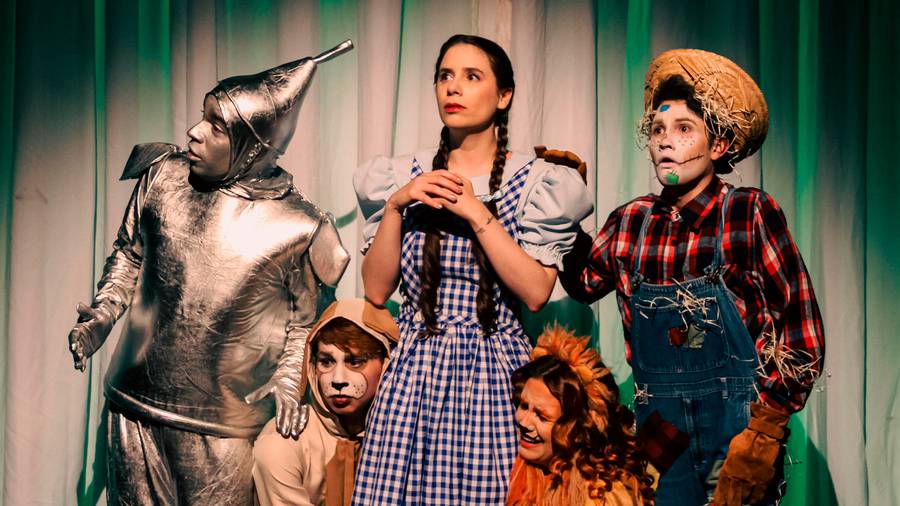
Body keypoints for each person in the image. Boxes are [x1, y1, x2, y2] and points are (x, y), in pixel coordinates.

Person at [65, 41, 354, 504]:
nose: (194, 132)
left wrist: (287, 384)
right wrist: (101, 316)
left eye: (216, 126)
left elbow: (304, 323)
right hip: (133, 407)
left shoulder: (302, 227)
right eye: (204, 116)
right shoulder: (162, 176)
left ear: (251, 146)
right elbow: (130, 257)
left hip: (225, 428)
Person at [559, 49, 825, 506]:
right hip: (660, 430)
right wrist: (564, 205)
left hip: (737, 426)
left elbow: (801, 328)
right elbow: (583, 284)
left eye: (684, 129)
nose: (666, 141)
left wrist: (766, 429)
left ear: (718, 145)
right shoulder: (631, 221)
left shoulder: (748, 212)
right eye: (658, 130)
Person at [351, 34, 593, 504]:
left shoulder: (537, 180)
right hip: (415, 375)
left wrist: (476, 213)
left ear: (504, 96)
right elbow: (377, 291)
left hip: (493, 373)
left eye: (471, 76)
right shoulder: (401, 174)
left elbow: (536, 292)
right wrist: (398, 204)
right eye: (445, 76)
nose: (453, 87)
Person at [252, 298, 399, 506]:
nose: (338, 379)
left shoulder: (401, 438)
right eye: (326, 362)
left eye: (355, 361)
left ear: (385, 364)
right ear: (313, 366)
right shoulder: (282, 444)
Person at [507, 326, 655, 506]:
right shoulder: (529, 471)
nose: (523, 421)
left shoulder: (604, 496)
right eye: (523, 405)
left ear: (579, 429)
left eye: (542, 416)